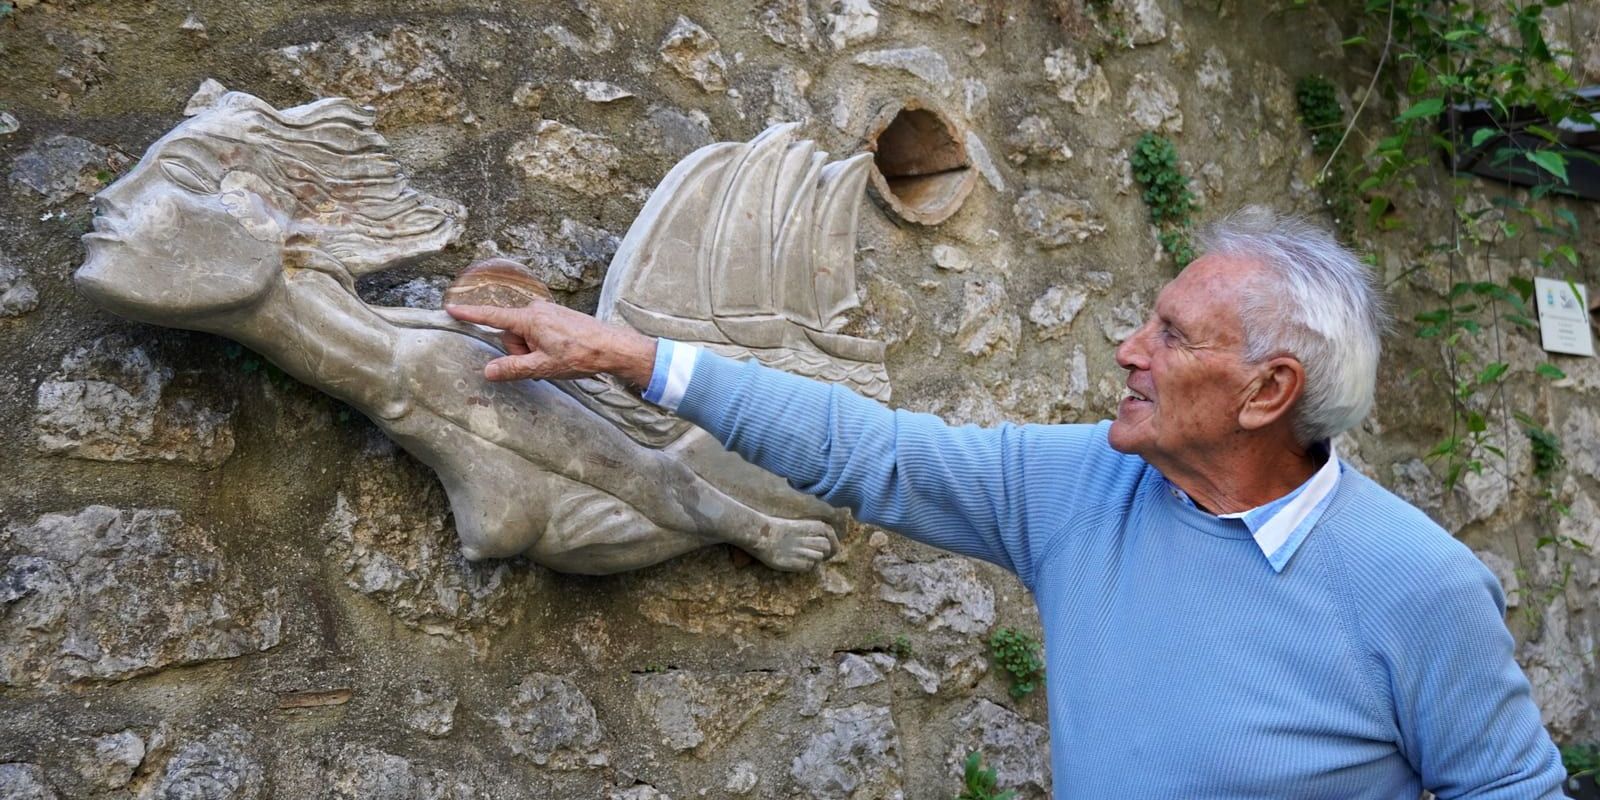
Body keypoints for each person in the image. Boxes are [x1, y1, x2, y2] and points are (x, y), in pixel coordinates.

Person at [446, 207, 1567, 798]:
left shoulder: (1417, 585)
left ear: (1269, 391)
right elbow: (870, 452)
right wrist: (635, 358)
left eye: (1172, 335)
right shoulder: (1084, 487)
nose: (1127, 348)